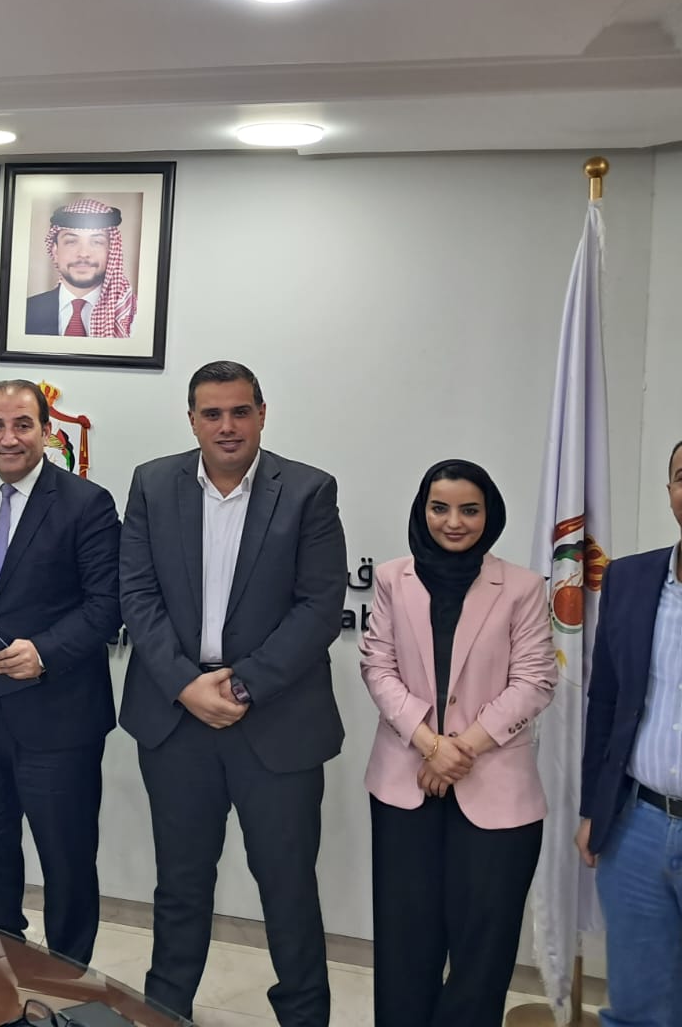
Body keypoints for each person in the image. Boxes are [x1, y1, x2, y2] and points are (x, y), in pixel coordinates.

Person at [118, 361, 346, 1026]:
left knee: (288, 889)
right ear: (191, 419)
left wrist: (241, 686)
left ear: (262, 414)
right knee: (180, 884)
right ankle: (165, 1011)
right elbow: (138, 594)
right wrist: (186, 685)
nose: (227, 426)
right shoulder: (153, 484)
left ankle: (303, 1017)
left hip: (277, 721)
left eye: (240, 412)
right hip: (176, 719)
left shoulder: (308, 491)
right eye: (212, 413)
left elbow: (318, 608)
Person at [0, 379, 121, 965]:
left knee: (67, 863)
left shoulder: (87, 503)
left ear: (46, 431)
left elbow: (107, 606)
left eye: (22, 425)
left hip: (59, 720)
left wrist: (45, 652)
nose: (8, 438)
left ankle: (67, 982)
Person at [359, 460, 556, 1027]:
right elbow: (377, 667)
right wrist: (429, 744)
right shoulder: (393, 578)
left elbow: (535, 680)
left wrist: (457, 749)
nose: (453, 522)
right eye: (439, 508)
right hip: (404, 786)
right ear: (422, 510)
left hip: (497, 793)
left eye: (469, 510)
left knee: (482, 952)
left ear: (489, 514)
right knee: (404, 943)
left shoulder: (522, 587)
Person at [578, 439, 682, 1027]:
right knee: (640, 1009)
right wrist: (595, 809)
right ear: (670, 492)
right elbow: (607, 701)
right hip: (636, 827)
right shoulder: (630, 578)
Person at [23, 199, 135, 338]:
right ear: (55, 252)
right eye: (71, 242)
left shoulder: (133, 316)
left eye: (96, 242)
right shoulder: (24, 311)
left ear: (111, 251)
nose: (83, 253)